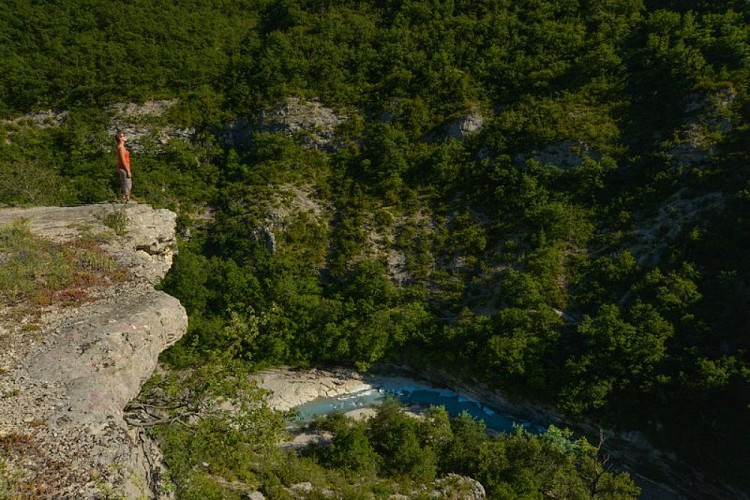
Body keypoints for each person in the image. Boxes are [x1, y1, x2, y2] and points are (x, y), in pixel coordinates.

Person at [115, 131, 132, 202]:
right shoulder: (121, 147)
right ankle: (125, 198)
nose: (125, 136)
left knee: (127, 182)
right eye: (123, 136)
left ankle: (125, 198)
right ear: (120, 138)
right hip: (123, 167)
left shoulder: (122, 147)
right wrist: (128, 171)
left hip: (123, 167)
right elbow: (123, 160)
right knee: (127, 183)